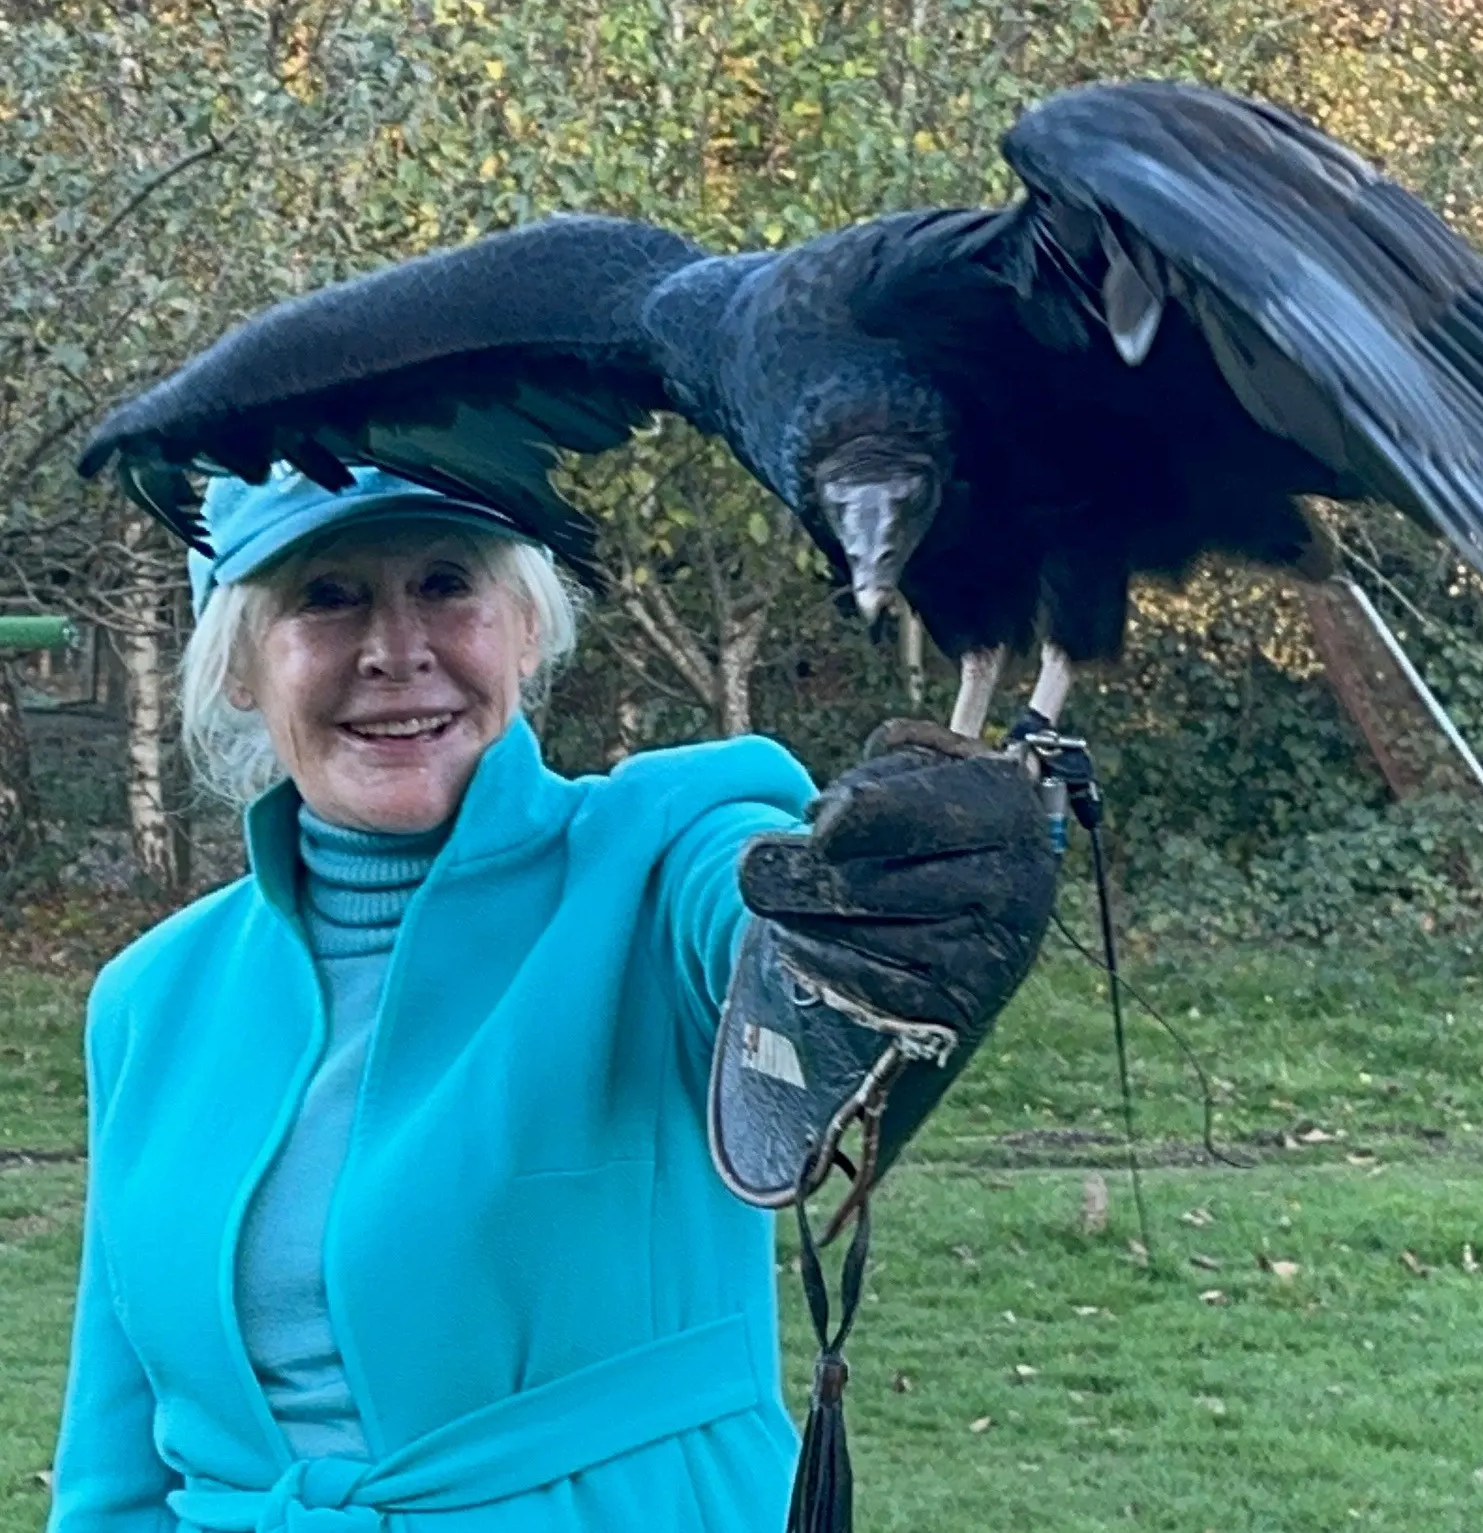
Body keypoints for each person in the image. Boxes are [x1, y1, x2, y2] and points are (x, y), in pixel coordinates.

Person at [48, 466, 1059, 1533]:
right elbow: (114, 1472)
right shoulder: (153, 997)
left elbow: (757, 919)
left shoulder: (657, 855)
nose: (396, 648)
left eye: (446, 583)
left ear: (527, 628)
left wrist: (865, 920)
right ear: (241, 665)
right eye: (327, 596)